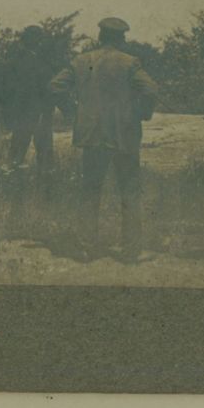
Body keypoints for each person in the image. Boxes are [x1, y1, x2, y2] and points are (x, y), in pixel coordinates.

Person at [50, 15, 157, 260]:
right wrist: (141, 113)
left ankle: (86, 248)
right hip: (124, 135)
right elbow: (151, 89)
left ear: (100, 36)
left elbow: (55, 86)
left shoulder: (81, 61)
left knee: (90, 190)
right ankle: (131, 252)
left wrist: (72, 111)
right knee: (129, 191)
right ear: (121, 39)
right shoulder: (130, 62)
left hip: (92, 136)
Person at [0, 23, 63, 201]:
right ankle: (45, 196)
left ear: (23, 41)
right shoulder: (43, 64)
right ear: (38, 42)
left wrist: (9, 111)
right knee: (45, 158)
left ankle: (11, 195)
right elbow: (51, 90)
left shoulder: (11, 63)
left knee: (15, 156)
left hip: (20, 117)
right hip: (40, 116)